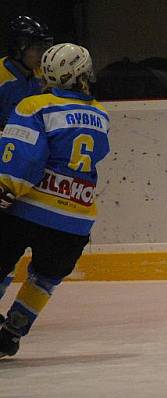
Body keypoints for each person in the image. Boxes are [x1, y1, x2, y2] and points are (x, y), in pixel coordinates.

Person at [0, 43, 110, 357]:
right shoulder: (99, 113)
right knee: (44, 279)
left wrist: (5, 189)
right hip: (75, 219)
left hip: (26, 210)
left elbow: (24, 158)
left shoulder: (34, 106)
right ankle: (11, 333)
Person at [0, 16, 54, 305]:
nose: (43, 54)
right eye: (37, 47)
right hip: (4, 167)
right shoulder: (0, 78)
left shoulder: (40, 79)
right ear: (19, 47)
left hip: (16, 171)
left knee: (8, 243)